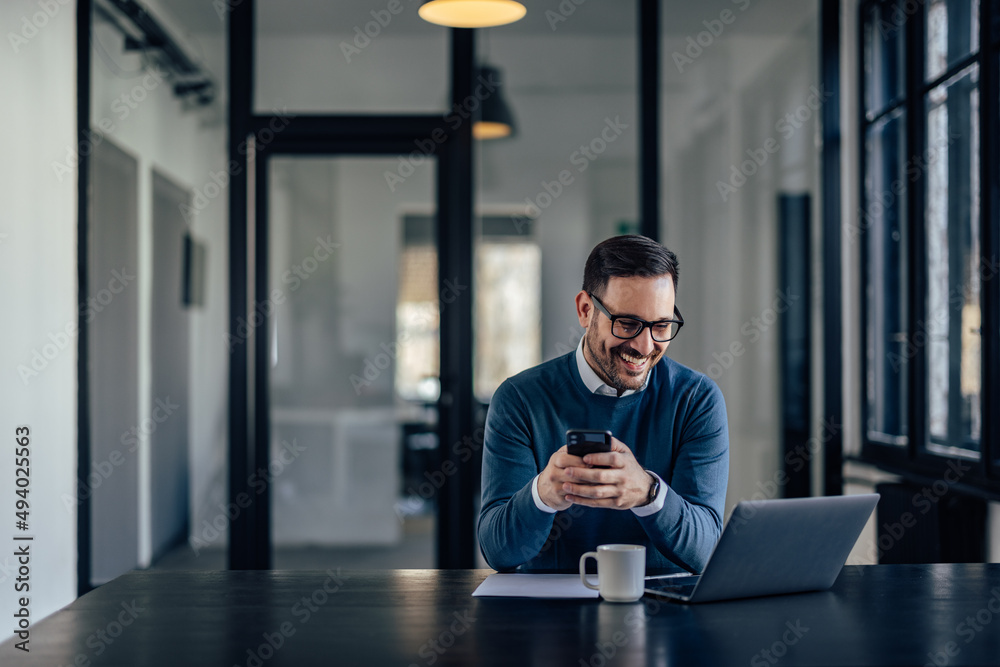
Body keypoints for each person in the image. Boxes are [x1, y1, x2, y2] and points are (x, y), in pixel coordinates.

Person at [478, 235, 729, 574]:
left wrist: (649, 494)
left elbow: (707, 552)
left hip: (663, 613)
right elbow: (499, 552)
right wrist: (542, 495)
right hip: (549, 615)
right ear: (585, 310)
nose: (644, 346)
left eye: (661, 326)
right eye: (627, 324)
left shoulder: (697, 400)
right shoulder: (519, 399)